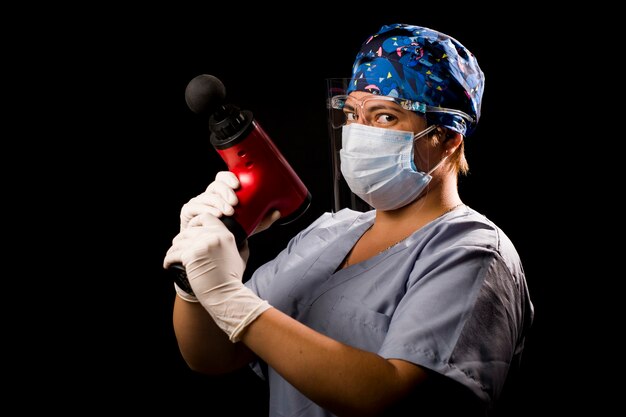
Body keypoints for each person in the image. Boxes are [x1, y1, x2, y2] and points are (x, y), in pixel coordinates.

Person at [163, 23, 534, 416]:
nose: (359, 132)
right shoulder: (327, 233)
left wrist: (230, 299)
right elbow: (214, 355)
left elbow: (393, 396)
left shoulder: (472, 252)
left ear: (446, 138)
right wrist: (197, 277)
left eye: (385, 117)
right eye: (353, 113)